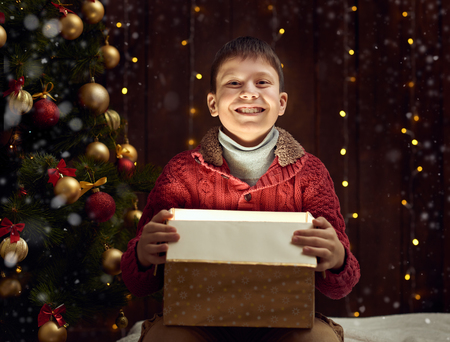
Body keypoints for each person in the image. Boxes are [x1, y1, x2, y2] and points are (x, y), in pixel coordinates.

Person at [121, 36, 360, 342]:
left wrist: (337, 257)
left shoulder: (310, 173)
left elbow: (341, 286)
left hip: (284, 321)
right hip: (196, 320)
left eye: (262, 82)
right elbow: (137, 283)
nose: (249, 93)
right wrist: (143, 254)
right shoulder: (181, 172)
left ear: (282, 102)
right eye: (234, 83)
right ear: (212, 103)